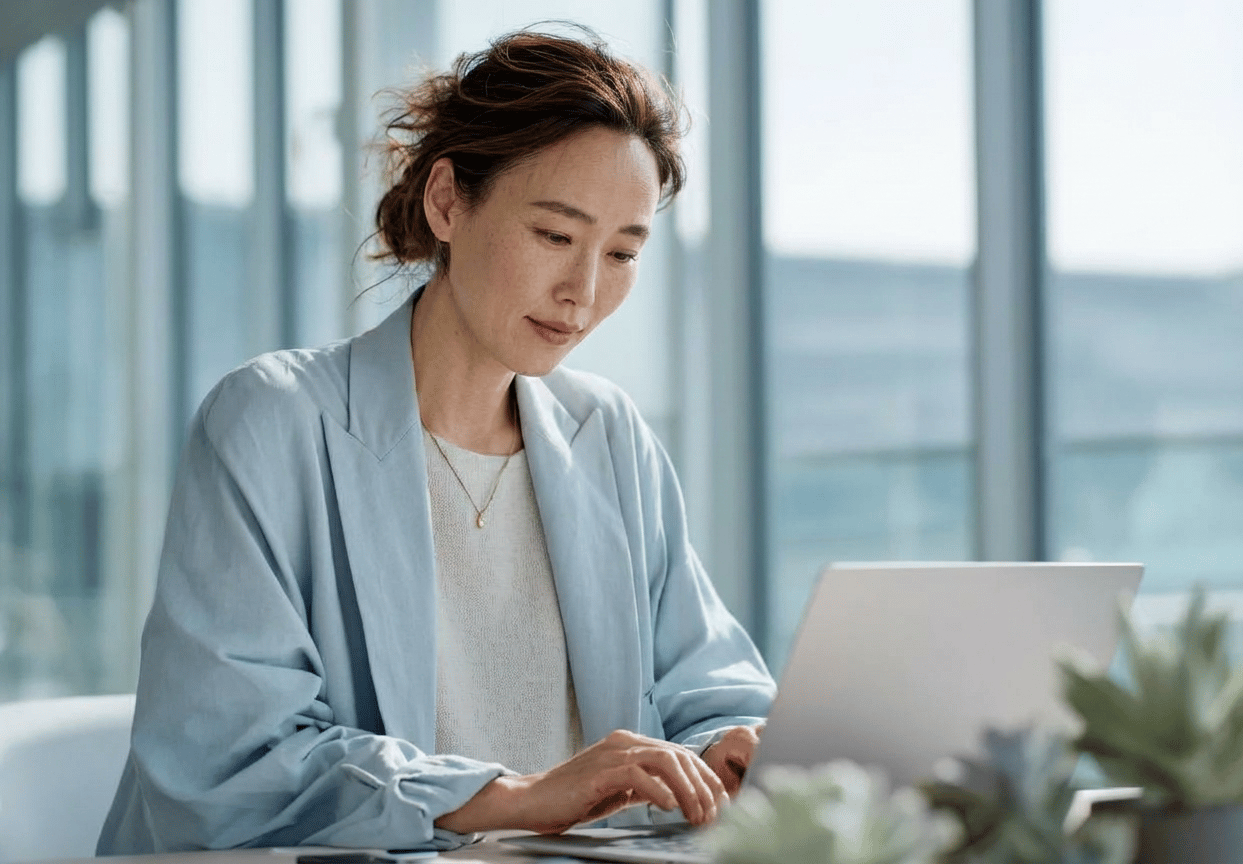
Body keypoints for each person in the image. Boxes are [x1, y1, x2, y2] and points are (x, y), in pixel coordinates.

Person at [97, 29, 775, 854]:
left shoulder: (609, 436)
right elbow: (228, 759)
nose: (584, 291)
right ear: (448, 201)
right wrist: (517, 796)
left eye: (623, 252)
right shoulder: (274, 421)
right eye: (554, 236)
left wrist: (728, 745)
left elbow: (708, 686)